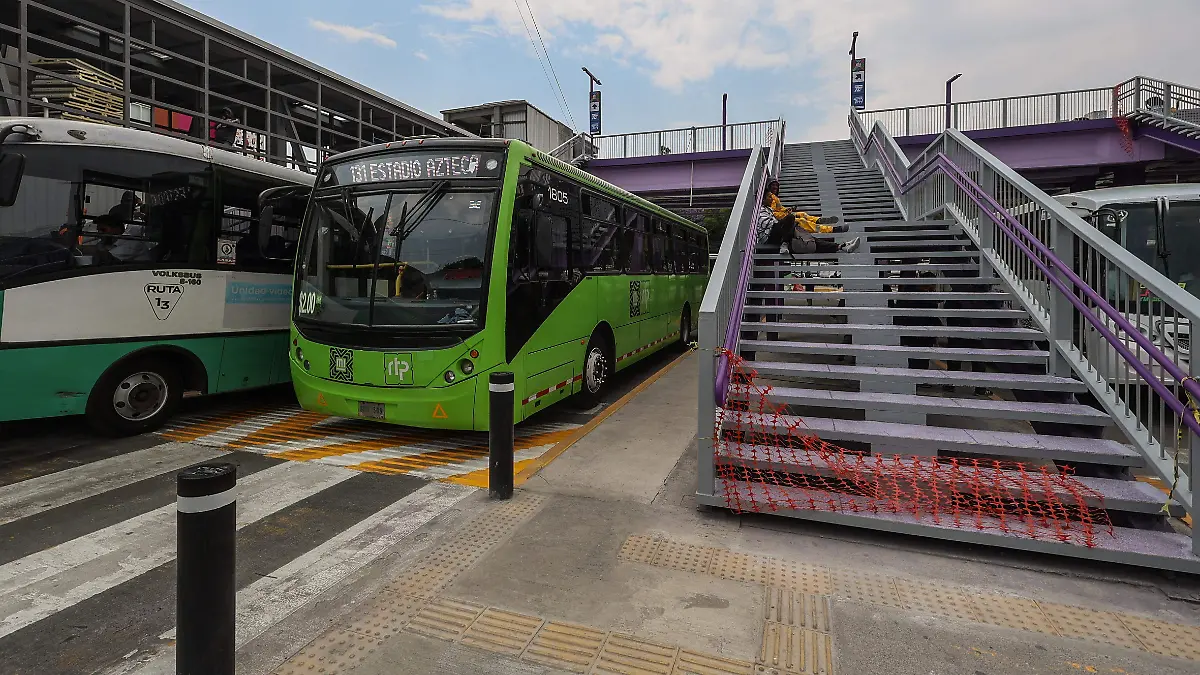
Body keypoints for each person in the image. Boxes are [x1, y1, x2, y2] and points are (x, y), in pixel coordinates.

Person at [765, 179, 846, 235]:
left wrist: (788, 209)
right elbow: (773, 214)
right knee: (801, 221)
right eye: (773, 185)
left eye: (776, 185)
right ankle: (830, 229)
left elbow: (779, 209)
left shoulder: (775, 197)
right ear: (768, 186)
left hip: (783, 217)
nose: (775, 187)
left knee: (802, 214)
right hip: (779, 222)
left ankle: (818, 220)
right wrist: (786, 214)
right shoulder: (769, 197)